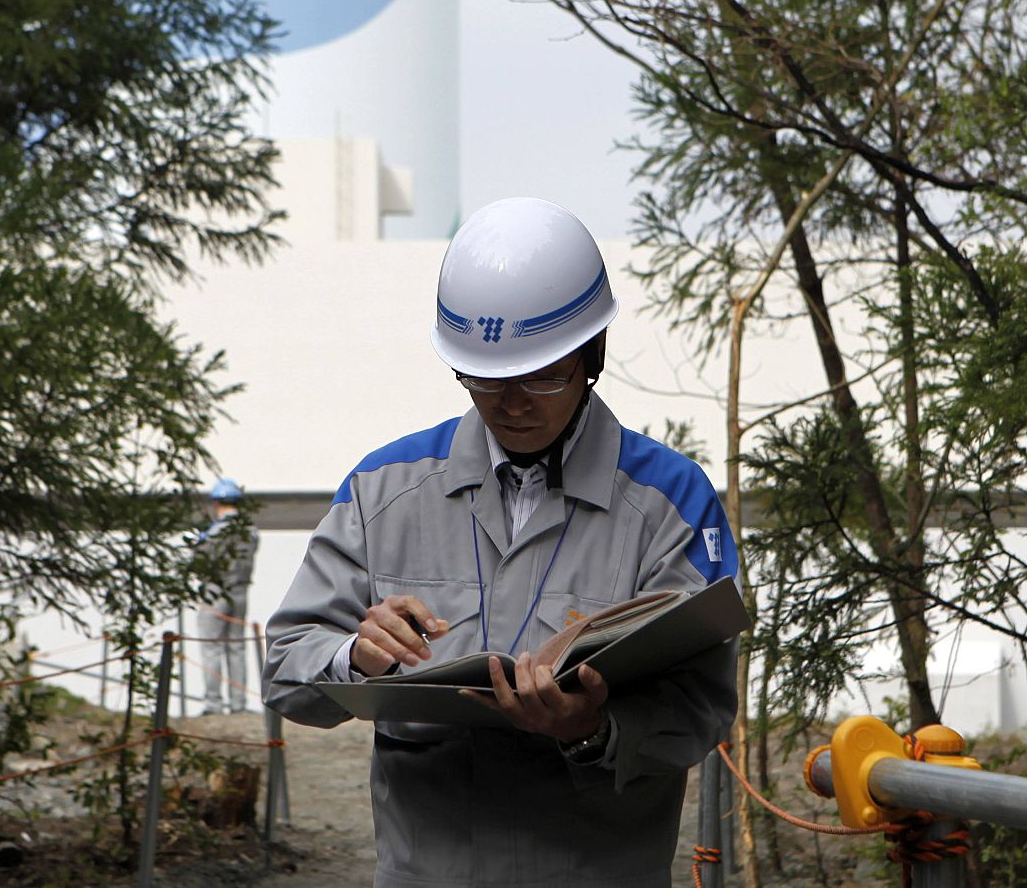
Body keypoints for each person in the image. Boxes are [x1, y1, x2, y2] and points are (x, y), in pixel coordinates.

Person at [262, 198, 740, 887]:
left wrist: (590, 728)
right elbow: (284, 667)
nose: (512, 402)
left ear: (592, 354)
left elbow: (701, 709)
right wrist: (354, 658)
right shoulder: (380, 489)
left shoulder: (673, 503)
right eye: (485, 378)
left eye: (544, 375)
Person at [194, 476, 260, 714]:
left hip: (214, 592)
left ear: (216, 503)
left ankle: (213, 703)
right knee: (237, 647)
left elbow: (199, 562)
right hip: (241, 592)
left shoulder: (211, 533)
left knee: (211, 646)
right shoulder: (250, 532)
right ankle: (238, 703)